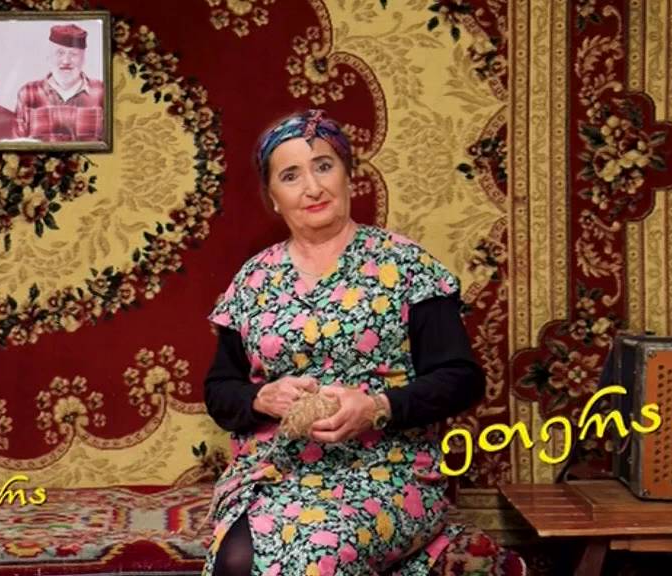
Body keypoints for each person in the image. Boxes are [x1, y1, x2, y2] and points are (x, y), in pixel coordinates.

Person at [202, 110, 492, 575]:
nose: (312, 187)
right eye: (291, 176)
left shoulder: (406, 265)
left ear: (349, 175)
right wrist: (261, 397)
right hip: (277, 472)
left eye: (324, 166)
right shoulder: (253, 280)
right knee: (235, 560)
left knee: (312, 557)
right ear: (273, 197)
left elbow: (462, 379)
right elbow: (220, 391)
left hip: (388, 470)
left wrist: (376, 407)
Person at [14, 23, 105, 142]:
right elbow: (17, 143)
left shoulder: (101, 92)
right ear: (49, 56)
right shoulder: (28, 93)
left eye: (73, 54)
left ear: (83, 58)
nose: (66, 61)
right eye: (60, 53)